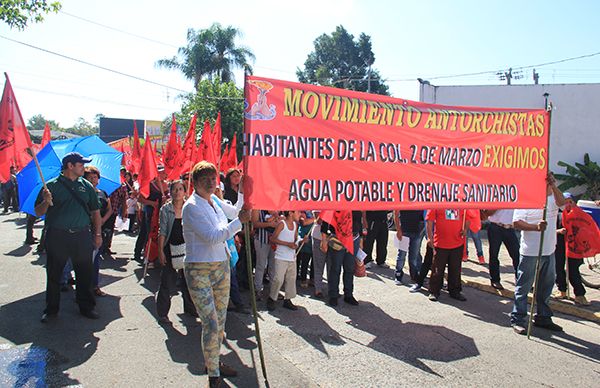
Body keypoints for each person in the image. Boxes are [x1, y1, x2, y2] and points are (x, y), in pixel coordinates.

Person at [182, 161, 251, 387]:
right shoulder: (191, 207)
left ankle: (213, 361)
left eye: (214, 178)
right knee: (210, 323)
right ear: (196, 182)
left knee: (220, 321)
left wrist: (243, 189)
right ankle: (213, 375)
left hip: (221, 266)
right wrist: (240, 222)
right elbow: (212, 236)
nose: (212, 182)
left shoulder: (215, 202)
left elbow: (237, 210)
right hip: (199, 268)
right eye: (207, 179)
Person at [34, 152, 102, 322]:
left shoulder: (86, 186)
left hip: (81, 235)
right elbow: (38, 211)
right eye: (80, 164)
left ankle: (86, 306)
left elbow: (95, 212)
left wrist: (98, 234)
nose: (83, 167)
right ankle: (51, 310)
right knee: (54, 274)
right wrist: (45, 201)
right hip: (58, 235)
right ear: (70, 166)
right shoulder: (51, 186)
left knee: (84, 274)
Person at [510, 173, 565, 335]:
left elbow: (563, 204)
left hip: (549, 251)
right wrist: (536, 227)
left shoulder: (553, 199)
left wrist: (554, 186)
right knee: (524, 287)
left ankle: (543, 317)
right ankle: (518, 318)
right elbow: (516, 223)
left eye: (550, 182)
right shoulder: (526, 200)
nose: (548, 185)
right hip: (530, 252)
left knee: (546, 287)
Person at [156, 180, 196, 323]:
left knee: (189, 281)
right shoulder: (166, 209)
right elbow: (162, 231)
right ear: (170, 191)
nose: (177, 192)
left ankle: (190, 308)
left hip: (187, 249)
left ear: (185, 192)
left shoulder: (190, 207)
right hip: (169, 248)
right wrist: (160, 251)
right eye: (175, 189)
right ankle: (162, 313)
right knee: (167, 281)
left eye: (180, 189)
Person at [321, 211, 364, 307]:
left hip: (354, 239)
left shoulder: (356, 202)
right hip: (338, 238)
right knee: (335, 268)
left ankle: (348, 294)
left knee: (349, 268)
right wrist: (324, 239)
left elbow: (358, 221)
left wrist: (360, 239)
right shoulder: (336, 200)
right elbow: (326, 219)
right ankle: (333, 295)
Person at [554, 192, 591, 306]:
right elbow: (549, 230)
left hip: (575, 248)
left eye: (570, 201)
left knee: (573, 271)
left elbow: (587, 228)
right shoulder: (557, 215)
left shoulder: (580, 215)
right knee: (558, 268)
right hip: (559, 246)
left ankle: (580, 295)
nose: (568, 204)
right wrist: (559, 231)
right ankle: (562, 290)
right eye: (565, 201)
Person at [426, 209, 469, 302]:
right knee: (437, 269)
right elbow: (429, 220)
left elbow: (467, 217)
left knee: (455, 269)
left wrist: (465, 229)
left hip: (457, 243)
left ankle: (455, 291)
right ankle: (434, 291)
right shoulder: (438, 201)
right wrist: (429, 237)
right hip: (440, 244)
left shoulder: (461, 204)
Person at [83, 166, 113, 297]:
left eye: (95, 177)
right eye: (90, 177)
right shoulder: (83, 193)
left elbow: (110, 209)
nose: (93, 179)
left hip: (99, 230)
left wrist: (102, 220)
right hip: (85, 229)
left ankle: (94, 285)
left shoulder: (103, 193)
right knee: (85, 260)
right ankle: (83, 287)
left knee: (95, 260)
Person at [267, 210, 300, 311]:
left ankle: (288, 299)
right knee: (278, 279)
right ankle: (272, 298)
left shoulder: (295, 225)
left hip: (291, 257)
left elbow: (294, 240)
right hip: (281, 256)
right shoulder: (282, 224)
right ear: (290, 213)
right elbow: (272, 239)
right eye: (297, 212)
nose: (300, 214)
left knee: (291, 279)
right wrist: (287, 244)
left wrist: (300, 240)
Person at [486, 209, 520, 290]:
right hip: (496, 226)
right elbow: (487, 213)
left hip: (510, 228)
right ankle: (495, 280)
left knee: (517, 255)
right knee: (494, 254)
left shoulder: (514, 197)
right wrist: (498, 206)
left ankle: (520, 281)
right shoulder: (496, 197)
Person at [393, 210, 425, 283]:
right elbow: (395, 213)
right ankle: (398, 274)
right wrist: (398, 230)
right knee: (401, 254)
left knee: (414, 256)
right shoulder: (402, 199)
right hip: (404, 230)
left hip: (417, 231)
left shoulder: (418, 199)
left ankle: (414, 276)